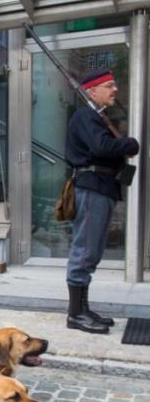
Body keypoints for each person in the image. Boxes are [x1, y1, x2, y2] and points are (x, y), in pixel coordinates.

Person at [64, 69, 139, 334]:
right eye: (109, 85)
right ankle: (75, 314)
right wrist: (130, 144)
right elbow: (101, 148)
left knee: (91, 250)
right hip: (93, 188)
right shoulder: (86, 115)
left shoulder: (95, 116)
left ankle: (82, 309)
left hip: (101, 187)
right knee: (85, 250)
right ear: (92, 91)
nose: (114, 89)